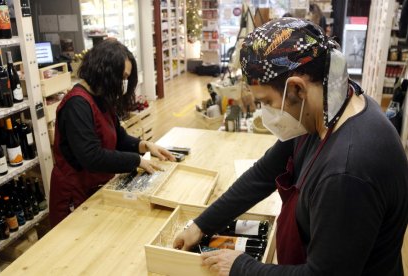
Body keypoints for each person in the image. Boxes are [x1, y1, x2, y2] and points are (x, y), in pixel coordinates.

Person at [173, 18, 408, 275]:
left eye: (268, 102)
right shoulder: (330, 105)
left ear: (297, 88)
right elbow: (264, 173)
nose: (266, 113)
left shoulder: (347, 172)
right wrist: (201, 225)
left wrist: (242, 267)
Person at [49, 39, 175, 227]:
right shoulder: (77, 105)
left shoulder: (100, 97)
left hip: (95, 188)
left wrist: (145, 146)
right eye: (122, 77)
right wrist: (137, 160)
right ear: (105, 72)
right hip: (74, 194)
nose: (123, 84)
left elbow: (118, 136)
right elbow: (91, 157)